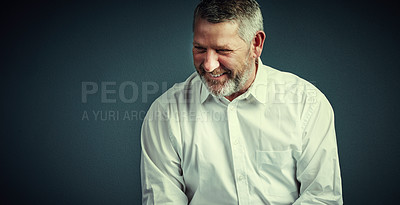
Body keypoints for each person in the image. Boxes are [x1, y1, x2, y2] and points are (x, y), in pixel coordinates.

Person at [140, 0, 343, 204]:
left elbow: (322, 198)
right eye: (199, 48)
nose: (209, 65)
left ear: (256, 44)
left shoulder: (306, 104)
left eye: (223, 50)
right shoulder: (165, 113)